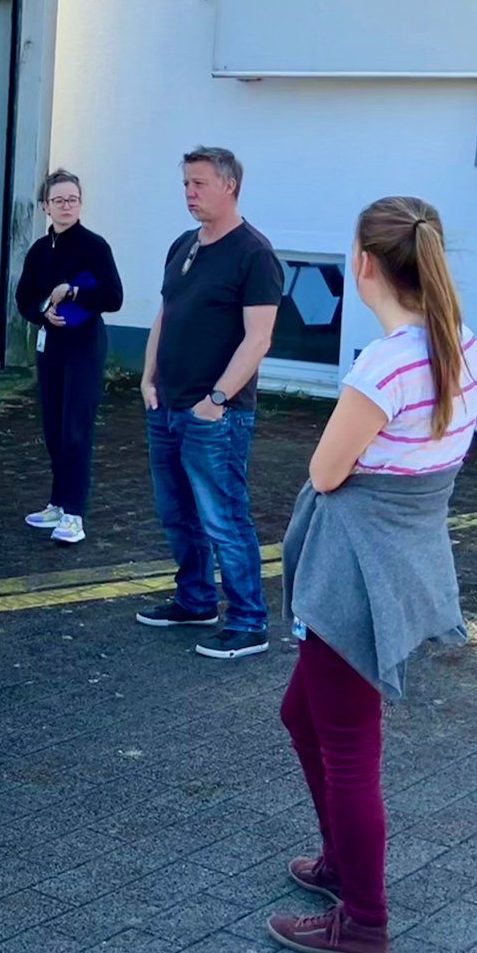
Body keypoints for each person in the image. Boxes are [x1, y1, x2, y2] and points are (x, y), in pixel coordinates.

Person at [266, 197, 477, 953]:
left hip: (355, 574)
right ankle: (338, 865)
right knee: (304, 715)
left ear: (364, 264)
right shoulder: (460, 345)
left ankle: (363, 919)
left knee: (351, 749)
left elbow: (326, 471)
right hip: (404, 561)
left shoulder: (385, 362)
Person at [135, 147, 282, 659]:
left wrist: (217, 399)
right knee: (176, 513)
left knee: (224, 516)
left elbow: (258, 338)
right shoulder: (183, 244)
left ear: (230, 185)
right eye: (185, 184)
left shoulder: (254, 254)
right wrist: (147, 377)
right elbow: (164, 315)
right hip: (166, 405)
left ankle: (248, 622)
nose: (189, 193)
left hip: (215, 415)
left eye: (198, 183)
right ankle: (195, 600)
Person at [13, 168, 123, 545]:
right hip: (52, 344)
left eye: (72, 200)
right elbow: (24, 297)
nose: (65, 206)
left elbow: (114, 297)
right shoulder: (40, 250)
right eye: (58, 200)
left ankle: (74, 514)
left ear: (81, 203)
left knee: (76, 429)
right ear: (45, 206)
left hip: (84, 346)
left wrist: (74, 293)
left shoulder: (94, 246)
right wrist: (43, 312)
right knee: (54, 428)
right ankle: (58, 503)